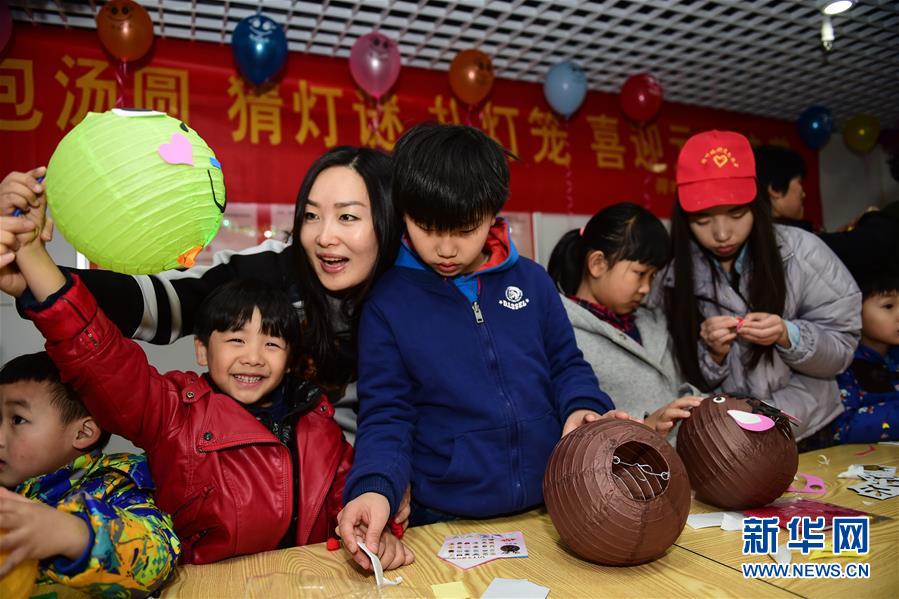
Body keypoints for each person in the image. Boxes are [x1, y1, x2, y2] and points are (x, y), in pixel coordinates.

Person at [0, 199, 414, 568]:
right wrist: (36, 261)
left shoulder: (319, 423)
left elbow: (352, 507)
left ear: (290, 360)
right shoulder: (171, 411)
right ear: (202, 350)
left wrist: (378, 537)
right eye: (235, 339)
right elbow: (99, 356)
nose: (252, 356)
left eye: (272, 343)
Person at [337, 123, 625, 571]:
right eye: (427, 227)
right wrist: (375, 486)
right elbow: (386, 413)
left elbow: (566, 365)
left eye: (466, 228)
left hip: (552, 507)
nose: (446, 248)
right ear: (404, 211)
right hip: (444, 518)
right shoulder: (388, 302)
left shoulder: (531, 281)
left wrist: (582, 408)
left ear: (493, 213)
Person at [1, 148, 401, 441]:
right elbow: (160, 302)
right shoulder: (270, 269)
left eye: (347, 217)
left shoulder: (414, 295)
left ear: (386, 219)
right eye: (311, 215)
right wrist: (37, 272)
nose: (324, 237)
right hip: (257, 485)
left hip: (366, 488)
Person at [657, 130, 861, 447]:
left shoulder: (803, 253)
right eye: (702, 220)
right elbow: (673, 381)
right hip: (728, 443)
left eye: (737, 214)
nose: (722, 234)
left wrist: (788, 335)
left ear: (757, 205)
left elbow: (842, 350)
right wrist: (713, 354)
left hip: (808, 429)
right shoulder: (670, 277)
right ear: (684, 219)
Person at [0, 352, 180, 597]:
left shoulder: (114, 484)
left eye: (18, 419)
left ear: (83, 433)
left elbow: (158, 555)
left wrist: (73, 534)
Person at [547, 203, 703, 435]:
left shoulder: (653, 320)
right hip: (626, 465)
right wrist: (647, 426)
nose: (646, 288)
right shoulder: (562, 331)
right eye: (640, 273)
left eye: (653, 276)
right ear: (597, 264)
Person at [754, 144, 899, 281]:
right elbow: (875, 242)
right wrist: (871, 216)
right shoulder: (790, 240)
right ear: (775, 189)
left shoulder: (764, 238)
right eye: (799, 182)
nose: (803, 193)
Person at [832, 270, 899, 443]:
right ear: (854, 309)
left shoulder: (894, 359)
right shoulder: (842, 362)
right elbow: (842, 430)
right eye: (888, 306)